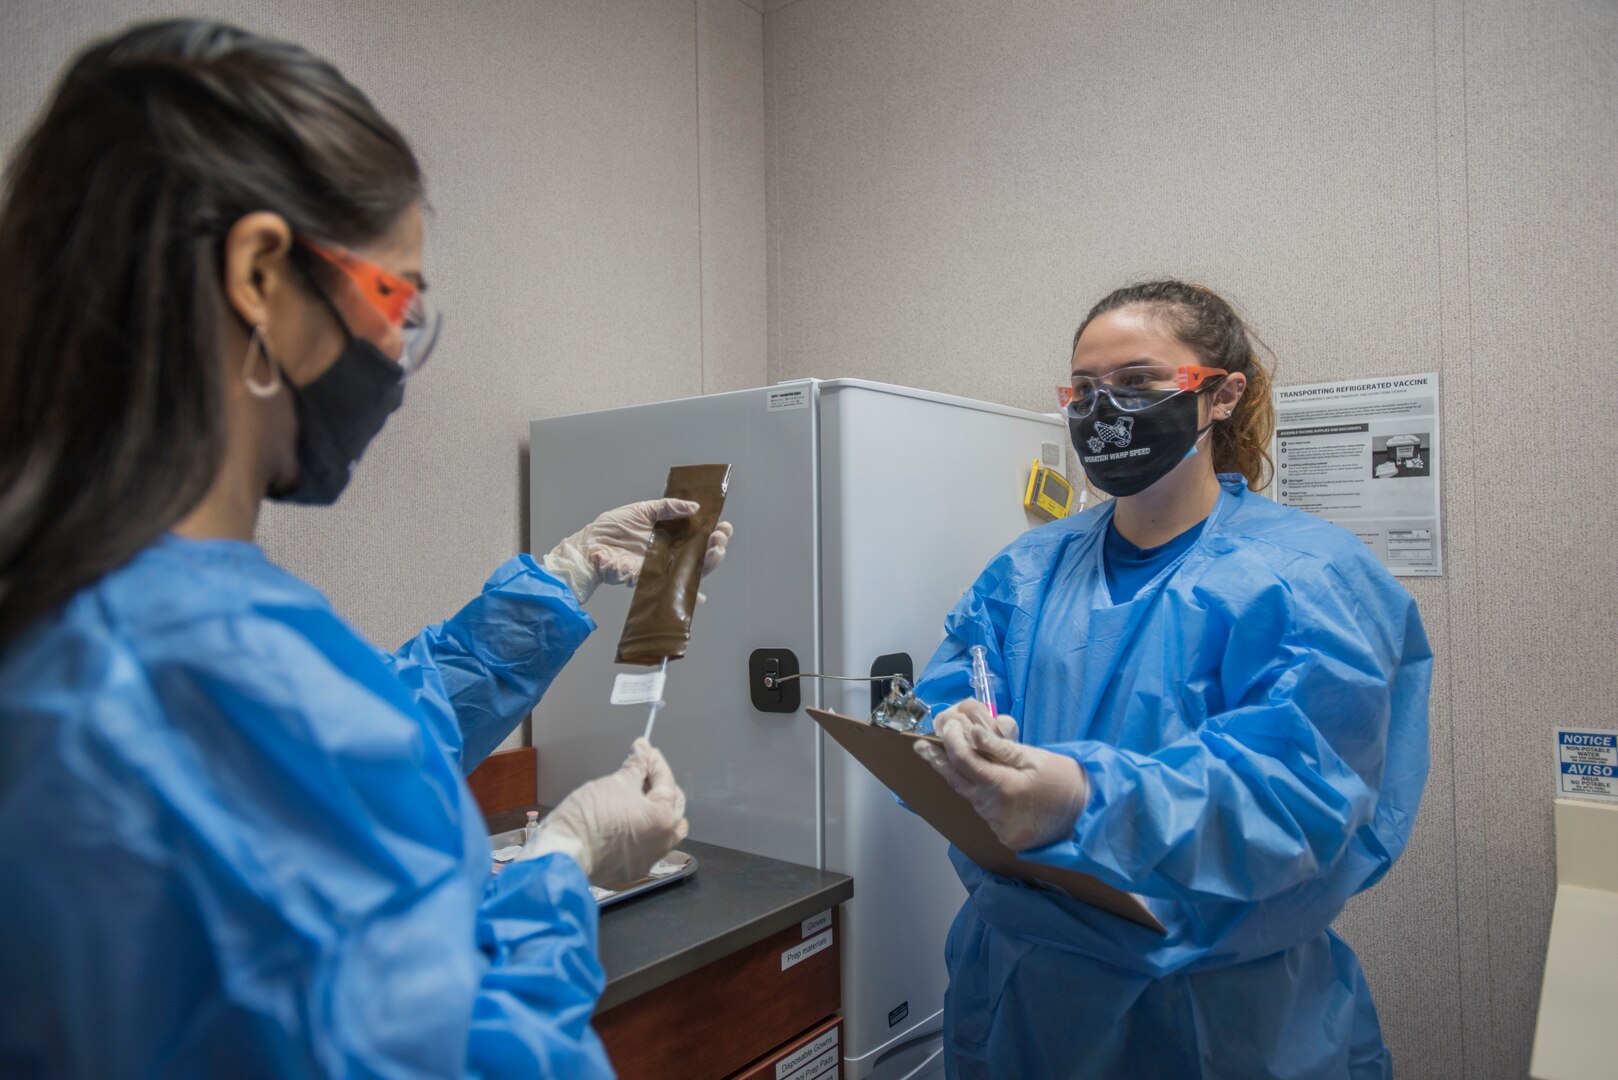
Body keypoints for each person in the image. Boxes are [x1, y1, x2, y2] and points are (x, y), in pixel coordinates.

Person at [0, 20, 731, 1078]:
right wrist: (562, 868)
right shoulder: (216, 672)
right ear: (258, 273)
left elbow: (364, 734)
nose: (396, 352)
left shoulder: (83, 616)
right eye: (397, 300)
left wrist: (564, 572)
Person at [911, 280, 1431, 1078]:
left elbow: (1298, 796)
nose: (1103, 409)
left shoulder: (1309, 577)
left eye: (1138, 384)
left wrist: (1087, 799)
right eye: (1084, 391)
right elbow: (957, 690)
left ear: (1221, 396)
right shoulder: (1026, 569)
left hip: (1223, 1014)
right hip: (1024, 988)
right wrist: (949, 729)